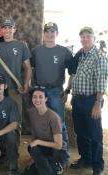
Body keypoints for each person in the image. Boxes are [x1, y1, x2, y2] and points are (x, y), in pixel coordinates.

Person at [30, 22, 72, 166]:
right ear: (43, 33)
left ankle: (64, 156)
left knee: (60, 123)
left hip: (55, 91)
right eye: (47, 31)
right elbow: (30, 68)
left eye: (52, 31)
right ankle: (39, 153)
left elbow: (72, 72)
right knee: (38, 121)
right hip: (39, 90)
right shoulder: (36, 51)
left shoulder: (64, 51)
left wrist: (67, 90)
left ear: (57, 34)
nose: (49, 34)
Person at [68, 27, 108, 175]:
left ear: (94, 38)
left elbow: (101, 82)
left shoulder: (100, 57)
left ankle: (98, 165)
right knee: (80, 132)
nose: (85, 39)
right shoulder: (81, 56)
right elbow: (75, 76)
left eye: (88, 36)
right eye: (83, 36)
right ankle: (85, 158)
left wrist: (97, 103)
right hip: (78, 99)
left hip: (92, 101)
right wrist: (69, 92)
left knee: (95, 134)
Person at [0, 18, 32, 134]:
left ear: (14, 30)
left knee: (15, 121)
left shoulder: (21, 45)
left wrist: (26, 84)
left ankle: (13, 152)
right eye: (4, 28)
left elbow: (28, 67)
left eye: (10, 28)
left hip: (14, 89)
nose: (7, 30)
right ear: (1, 30)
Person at [24, 86, 63, 175]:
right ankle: (47, 167)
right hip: (40, 149)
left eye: (41, 97)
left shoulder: (54, 117)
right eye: (35, 97)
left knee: (34, 150)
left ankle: (54, 165)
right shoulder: (31, 112)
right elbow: (34, 134)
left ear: (46, 99)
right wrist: (34, 158)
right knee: (28, 172)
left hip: (53, 150)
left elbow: (59, 145)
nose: (37, 100)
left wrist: (38, 142)